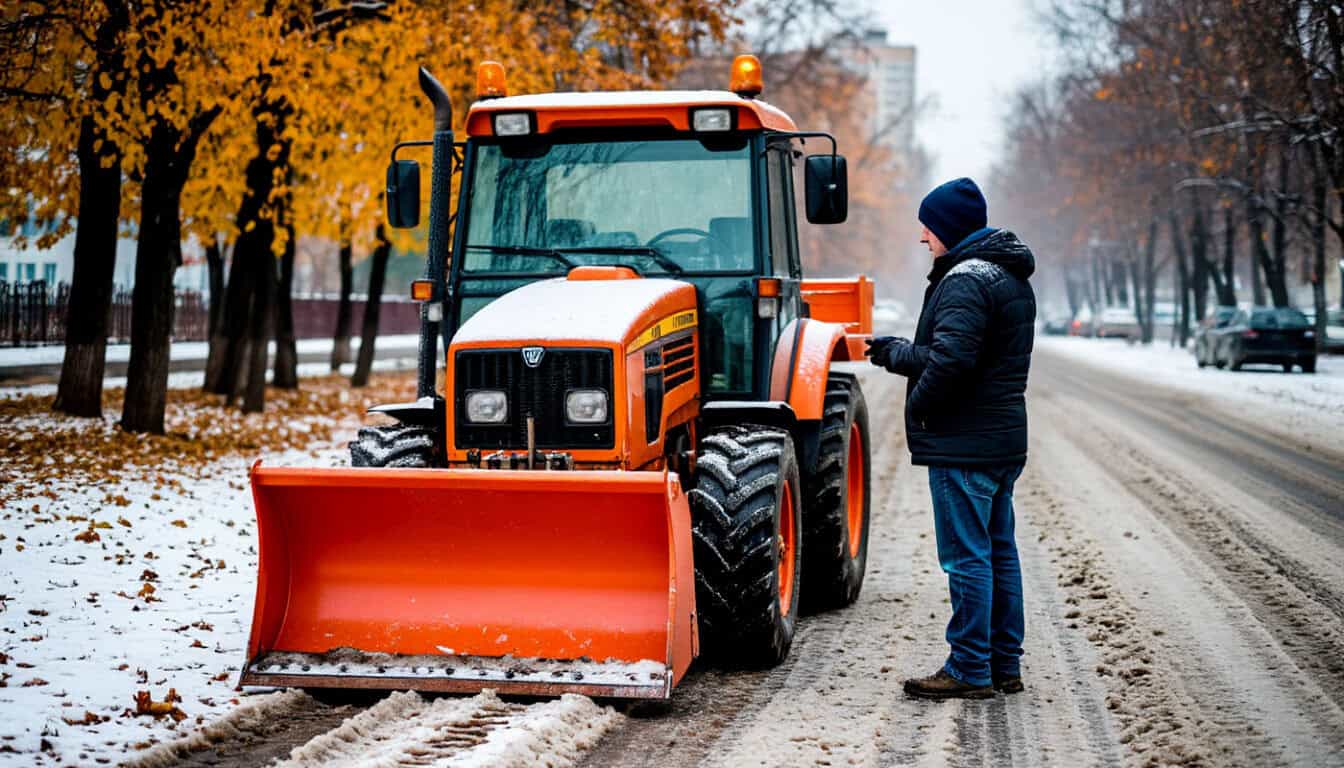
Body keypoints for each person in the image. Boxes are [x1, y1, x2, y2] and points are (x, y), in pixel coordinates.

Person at [866, 177, 1036, 700]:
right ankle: (1003, 664)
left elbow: (951, 363)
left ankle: (968, 668)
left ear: (949, 227)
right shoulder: (1006, 276)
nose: (923, 236)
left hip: (965, 443)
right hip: (1000, 440)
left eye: (929, 225)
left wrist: (906, 379)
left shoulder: (965, 280)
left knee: (966, 558)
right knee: (998, 552)